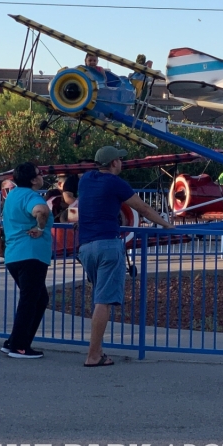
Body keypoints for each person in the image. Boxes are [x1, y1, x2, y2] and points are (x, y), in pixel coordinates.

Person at [77, 145, 174, 367]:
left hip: (85, 246)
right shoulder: (115, 183)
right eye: (120, 160)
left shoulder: (85, 180)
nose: (122, 163)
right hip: (107, 245)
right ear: (113, 163)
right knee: (103, 301)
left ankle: (98, 351)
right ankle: (93, 355)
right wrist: (167, 224)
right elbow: (144, 209)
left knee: (97, 297)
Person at [1, 162, 53, 359]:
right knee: (30, 301)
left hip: (14, 254)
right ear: (33, 179)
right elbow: (42, 211)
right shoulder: (31, 196)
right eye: (39, 174)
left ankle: (15, 341)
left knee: (39, 299)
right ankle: (19, 347)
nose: (42, 176)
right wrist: (40, 228)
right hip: (31, 254)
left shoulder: (13, 194)